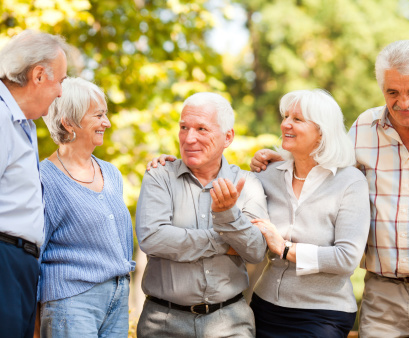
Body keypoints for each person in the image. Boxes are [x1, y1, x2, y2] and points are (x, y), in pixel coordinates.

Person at [250, 40, 409, 337]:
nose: (403, 102)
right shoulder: (363, 127)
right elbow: (329, 160)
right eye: (392, 92)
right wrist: (283, 157)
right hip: (382, 291)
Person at [135, 92, 268, 338]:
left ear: (228, 137)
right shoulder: (160, 176)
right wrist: (223, 242)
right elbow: (152, 238)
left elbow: (256, 250)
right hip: (163, 324)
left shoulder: (247, 183)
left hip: (230, 324)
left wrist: (227, 215)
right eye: (183, 127)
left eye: (201, 129)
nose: (189, 138)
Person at [247, 89, 370, 337]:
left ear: (322, 131)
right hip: (265, 305)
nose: (285, 124)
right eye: (286, 116)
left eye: (297, 119)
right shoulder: (268, 173)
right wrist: (171, 164)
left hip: (323, 314)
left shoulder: (349, 181)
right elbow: (225, 183)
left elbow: (346, 258)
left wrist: (284, 248)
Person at [38, 77, 135, 337]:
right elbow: (35, 251)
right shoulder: (43, 178)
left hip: (117, 297)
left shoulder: (111, 172)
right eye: (99, 115)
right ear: (69, 122)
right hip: (71, 301)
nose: (107, 122)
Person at [0, 30, 68, 338]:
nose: (61, 93)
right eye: (61, 81)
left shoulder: (23, 123)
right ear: (39, 75)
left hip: (19, 265)